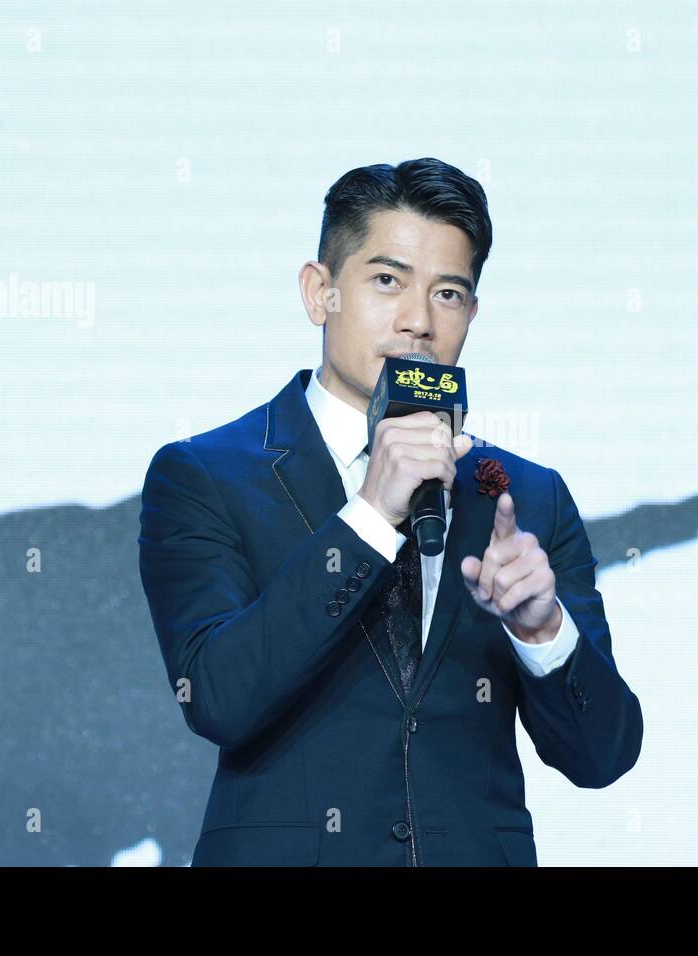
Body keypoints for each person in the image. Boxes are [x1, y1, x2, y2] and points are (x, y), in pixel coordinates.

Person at [137, 157, 643, 866]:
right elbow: (218, 695)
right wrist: (371, 515)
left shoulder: (524, 496)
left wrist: (543, 632)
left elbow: (604, 754)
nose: (418, 322)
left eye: (448, 293)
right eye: (386, 280)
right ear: (320, 293)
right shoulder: (206, 475)